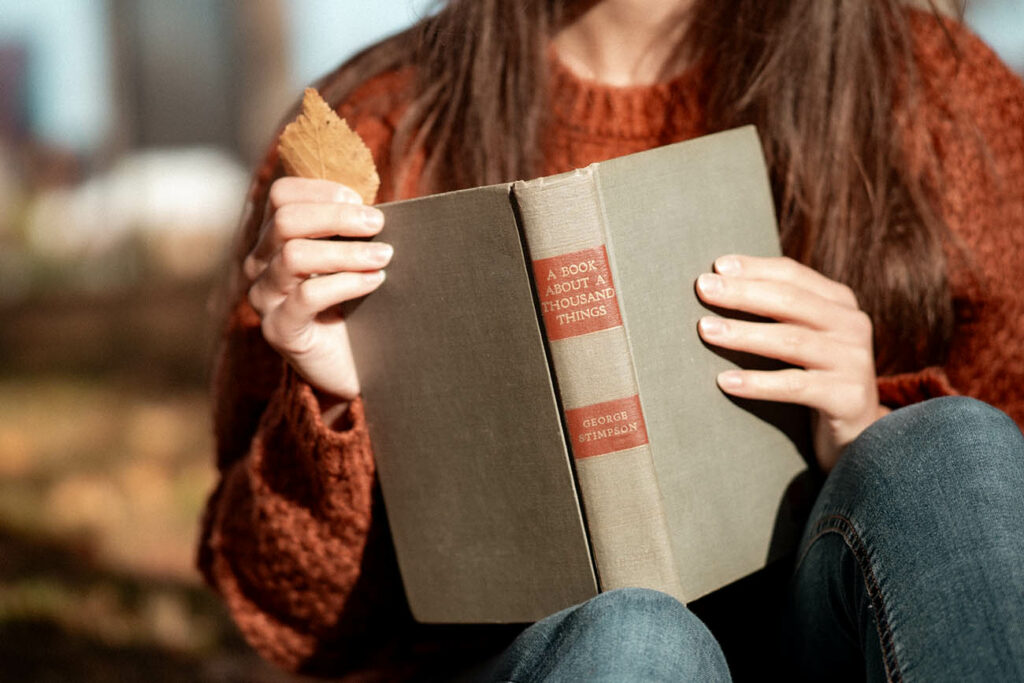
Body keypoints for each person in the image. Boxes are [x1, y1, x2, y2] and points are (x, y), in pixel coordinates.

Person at [197, 0, 1024, 680]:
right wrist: (337, 395)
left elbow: (986, 514)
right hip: (557, 662)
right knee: (633, 640)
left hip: (843, 633)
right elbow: (294, 623)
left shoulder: (928, 87)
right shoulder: (379, 127)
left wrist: (868, 424)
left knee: (949, 448)